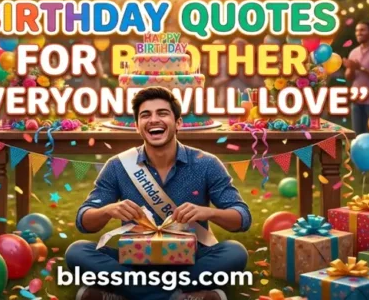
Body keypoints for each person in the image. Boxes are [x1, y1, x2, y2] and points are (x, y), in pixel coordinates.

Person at [65, 87, 250, 300]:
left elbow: (242, 217)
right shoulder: (118, 166)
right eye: (146, 115)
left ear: (178, 123)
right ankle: (180, 296)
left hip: (191, 261)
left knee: (234, 252)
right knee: (77, 252)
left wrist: (208, 213)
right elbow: (84, 221)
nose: (154, 120)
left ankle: (125, 295)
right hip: (133, 262)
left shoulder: (206, 163)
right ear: (137, 127)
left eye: (162, 113)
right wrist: (108, 210)